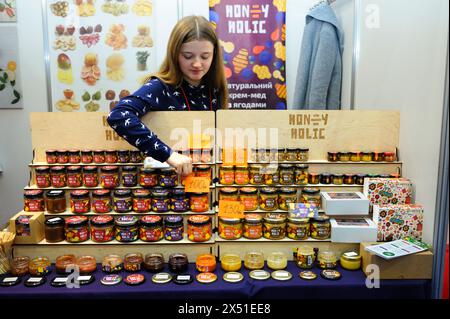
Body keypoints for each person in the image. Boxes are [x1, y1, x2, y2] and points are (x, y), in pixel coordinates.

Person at [107, 15, 228, 176]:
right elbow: (118, 115)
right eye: (188, 56)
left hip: (205, 183)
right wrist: (168, 155)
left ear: (215, 55)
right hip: (168, 187)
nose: (197, 64)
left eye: (205, 56)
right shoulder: (160, 87)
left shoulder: (215, 88)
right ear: (174, 53)